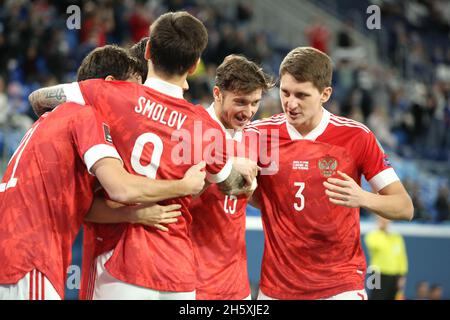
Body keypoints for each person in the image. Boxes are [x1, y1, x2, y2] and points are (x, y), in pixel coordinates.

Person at [28, 11, 257, 300]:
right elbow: (232, 185)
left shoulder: (109, 94)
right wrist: (244, 175)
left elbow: (39, 99)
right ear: (194, 65)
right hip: (179, 271)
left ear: (147, 50)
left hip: (124, 260)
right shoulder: (203, 126)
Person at [0, 51, 206, 299]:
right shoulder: (86, 116)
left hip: (18, 252)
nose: (137, 103)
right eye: (133, 91)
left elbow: (83, 207)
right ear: (109, 86)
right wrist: (184, 186)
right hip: (27, 258)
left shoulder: (52, 119)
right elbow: (121, 188)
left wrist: (132, 214)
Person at [245, 46, 413, 300]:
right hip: (278, 288)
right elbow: (250, 192)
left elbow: (404, 207)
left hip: (340, 286)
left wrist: (363, 198)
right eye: (285, 92)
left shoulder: (356, 137)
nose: (291, 103)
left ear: (325, 94)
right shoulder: (258, 135)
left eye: (302, 95)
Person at [189, 54, 273, 300]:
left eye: (255, 103)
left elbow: (258, 197)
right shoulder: (190, 126)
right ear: (217, 93)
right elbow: (177, 195)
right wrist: (224, 165)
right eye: (240, 102)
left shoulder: (255, 136)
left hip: (236, 282)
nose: (248, 112)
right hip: (191, 277)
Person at [364, 216, 408, 300]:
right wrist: (381, 231)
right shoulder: (371, 235)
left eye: (386, 218)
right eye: (381, 219)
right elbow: (376, 246)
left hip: (394, 275)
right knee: (376, 297)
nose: (384, 221)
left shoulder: (397, 237)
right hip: (376, 273)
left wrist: (402, 275)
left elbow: (402, 257)